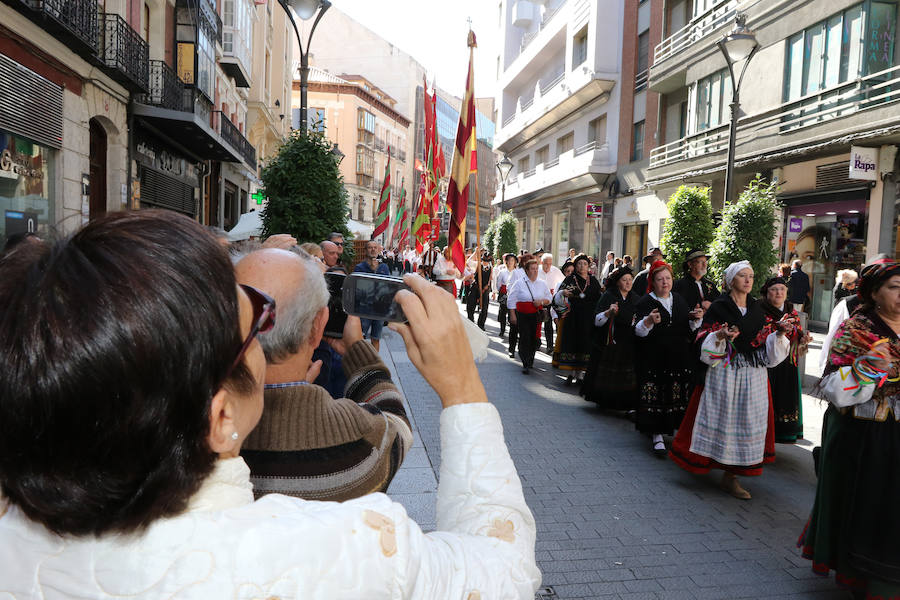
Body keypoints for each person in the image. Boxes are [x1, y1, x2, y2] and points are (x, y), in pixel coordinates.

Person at [0, 211, 541, 597]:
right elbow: (505, 569)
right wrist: (462, 389)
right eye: (254, 326)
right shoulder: (345, 552)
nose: (268, 330)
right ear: (221, 418)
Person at [235, 249, 412, 500]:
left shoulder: (197, 430)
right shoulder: (362, 441)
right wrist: (356, 350)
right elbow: (397, 423)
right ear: (319, 325)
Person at [798, 259, 900, 599]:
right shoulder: (857, 330)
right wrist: (868, 369)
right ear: (874, 293)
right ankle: (864, 573)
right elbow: (833, 388)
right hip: (864, 438)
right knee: (868, 503)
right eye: (894, 287)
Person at [670, 261, 791, 499]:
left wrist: (779, 334)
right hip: (724, 370)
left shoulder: (757, 309)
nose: (748, 280)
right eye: (743, 276)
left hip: (752, 374)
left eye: (751, 276)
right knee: (722, 418)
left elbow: (765, 344)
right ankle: (708, 463)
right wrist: (720, 335)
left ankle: (731, 476)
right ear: (731, 280)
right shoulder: (719, 307)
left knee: (744, 421)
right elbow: (702, 337)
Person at [633, 260, 703, 457]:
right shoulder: (645, 302)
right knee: (657, 394)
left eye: (668, 278)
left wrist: (695, 319)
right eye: (660, 279)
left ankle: (677, 432)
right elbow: (638, 332)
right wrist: (648, 321)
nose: (665, 282)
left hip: (678, 356)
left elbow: (687, 328)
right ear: (652, 282)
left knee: (676, 394)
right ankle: (656, 435)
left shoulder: (678, 299)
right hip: (654, 357)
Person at [759, 276, 811, 444]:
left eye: (782, 289)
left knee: (785, 398)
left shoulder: (791, 311)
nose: (778, 293)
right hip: (767, 362)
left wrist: (802, 339)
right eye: (774, 289)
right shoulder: (759, 309)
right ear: (767, 292)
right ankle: (764, 434)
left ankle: (783, 433)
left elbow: (798, 333)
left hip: (788, 363)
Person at [581, 266, 639, 411]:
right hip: (609, 341)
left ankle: (622, 403)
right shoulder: (608, 296)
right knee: (607, 374)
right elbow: (597, 320)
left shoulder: (635, 298)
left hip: (627, 342)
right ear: (617, 282)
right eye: (624, 280)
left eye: (630, 280)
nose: (628, 283)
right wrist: (608, 313)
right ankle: (604, 401)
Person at [552, 254, 602, 383]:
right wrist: (563, 293)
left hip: (588, 318)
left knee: (584, 343)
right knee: (572, 342)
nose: (582, 266)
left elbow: (600, 298)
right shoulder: (570, 279)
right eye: (579, 264)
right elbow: (557, 297)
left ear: (588, 266)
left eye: (585, 264)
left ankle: (579, 374)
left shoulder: (593, 280)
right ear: (575, 265)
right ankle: (570, 374)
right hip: (572, 317)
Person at [508, 256, 551, 374]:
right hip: (522, 315)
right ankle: (525, 361)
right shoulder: (519, 283)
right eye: (532, 269)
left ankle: (531, 358)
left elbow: (549, 297)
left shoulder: (542, 283)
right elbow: (511, 299)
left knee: (534, 338)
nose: (535, 271)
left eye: (536, 269)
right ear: (527, 270)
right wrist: (512, 315)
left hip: (536, 315)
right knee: (525, 337)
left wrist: (541, 302)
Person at [354, 239, 392, 350]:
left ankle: (374, 359)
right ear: (366, 250)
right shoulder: (360, 267)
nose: (373, 250)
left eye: (375, 247)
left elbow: (387, 287)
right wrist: (373, 271)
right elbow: (360, 289)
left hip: (379, 309)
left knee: (376, 338)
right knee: (361, 337)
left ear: (379, 250)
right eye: (370, 247)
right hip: (364, 309)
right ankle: (361, 359)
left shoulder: (384, 267)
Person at [537, 253, 565, 352]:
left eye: (550, 263)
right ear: (541, 262)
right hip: (538, 300)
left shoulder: (555, 271)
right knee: (537, 323)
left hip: (550, 301)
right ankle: (537, 342)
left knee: (548, 324)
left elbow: (564, 282)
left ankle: (549, 346)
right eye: (546, 263)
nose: (548, 266)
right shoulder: (536, 270)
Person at [466, 252, 493, 330]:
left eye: (487, 261)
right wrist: (475, 252)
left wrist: (488, 287)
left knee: (484, 308)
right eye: (484, 260)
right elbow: (468, 262)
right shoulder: (477, 264)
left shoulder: (491, 268)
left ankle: (481, 324)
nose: (485, 262)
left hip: (485, 289)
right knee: (470, 304)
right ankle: (470, 321)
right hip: (475, 287)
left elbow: (491, 279)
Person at [494, 253, 518, 338]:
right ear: (506, 262)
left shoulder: (517, 272)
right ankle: (502, 330)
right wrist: (501, 292)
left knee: (513, 313)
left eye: (512, 260)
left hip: (514, 295)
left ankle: (513, 332)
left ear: (515, 262)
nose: (510, 262)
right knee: (503, 312)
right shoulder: (502, 272)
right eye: (509, 260)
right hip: (504, 294)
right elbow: (498, 284)